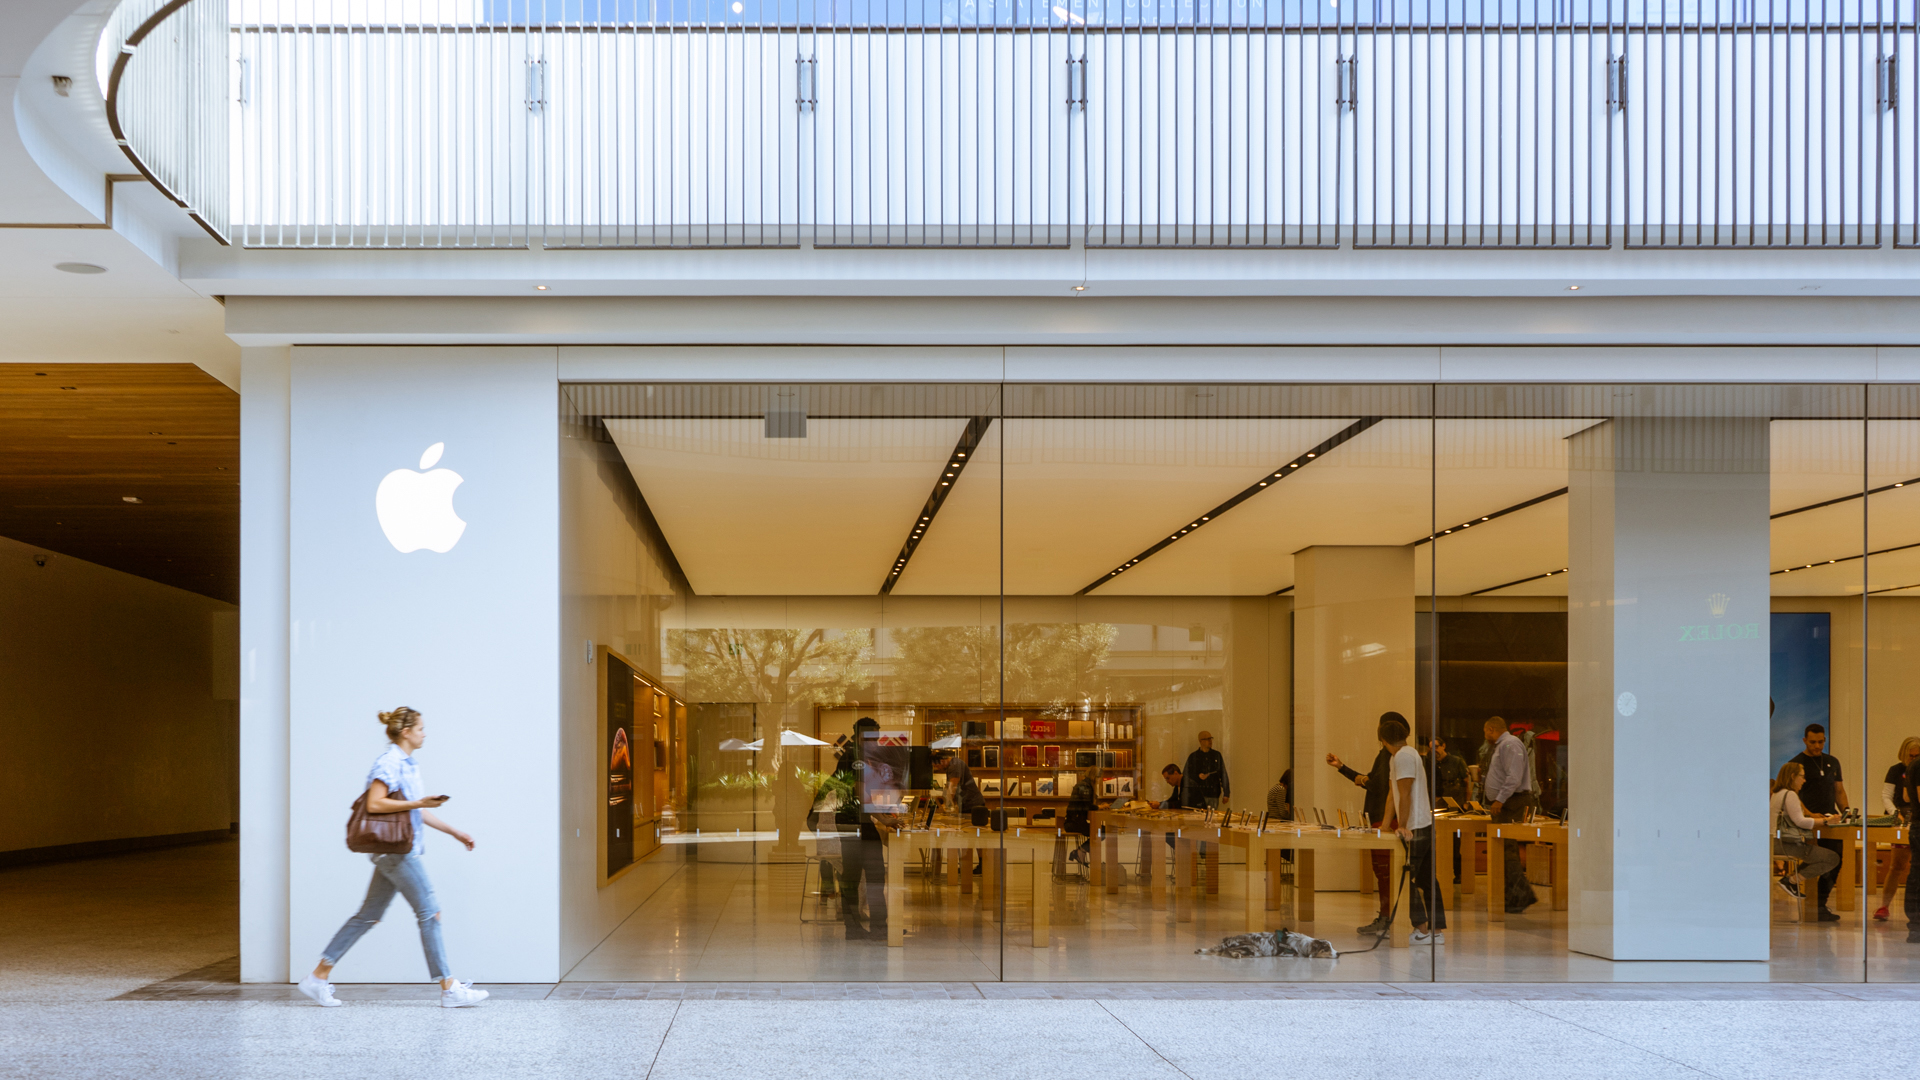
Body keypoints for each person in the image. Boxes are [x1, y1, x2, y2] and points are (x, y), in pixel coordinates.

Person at [298, 707, 488, 1008]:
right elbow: (375, 804)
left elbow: (415, 809)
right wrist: (418, 802)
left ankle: (318, 977)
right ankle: (449, 987)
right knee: (431, 913)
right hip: (396, 852)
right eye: (421, 728)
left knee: (367, 916)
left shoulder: (408, 764)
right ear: (406, 732)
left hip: (394, 851)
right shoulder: (389, 762)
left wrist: (455, 831)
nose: (425, 733)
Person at [1327, 731, 1396, 935]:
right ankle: (1386, 917)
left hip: (1383, 820)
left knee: (1385, 872)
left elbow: (1375, 784)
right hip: (1379, 819)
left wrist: (1363, 780)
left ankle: (1388, 919)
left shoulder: (1390, 756)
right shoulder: (1387, 755)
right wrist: (1343, 768)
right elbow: (1371, 780)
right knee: (1381, 871)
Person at [1384, 714, 1444, 945]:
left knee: (1403, 876)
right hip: (1420, 824)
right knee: (1428, 879)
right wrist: (1386, 824)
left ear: (1383, 739)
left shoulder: (1404, 757)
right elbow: (1393, 795)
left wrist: (1402, 826)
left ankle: (1422, 929)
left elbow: (1405, 793)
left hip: (1416, 826)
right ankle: (1436, 931)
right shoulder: (1399, 756)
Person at [832, 717, 888, 941]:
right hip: (855, 823)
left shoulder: (858, 756)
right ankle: (871, 928)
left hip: (855, 822)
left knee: (858, 876)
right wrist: (884, 818)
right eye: (870, 738)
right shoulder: (854, 757)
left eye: (876, 738)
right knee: (869, 875)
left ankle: (864, 928)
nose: (874, 742)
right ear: (858, 736)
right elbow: (860, 797)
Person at [1790, 723, 1850, 917]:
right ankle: (1798, 888)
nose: (1817, 746)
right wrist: (1807, 814)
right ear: (1804, 741)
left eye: (1821, 742)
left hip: (1831, 820)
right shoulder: (1796, 764)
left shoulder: (1833, 761)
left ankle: (1820, 904)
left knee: (1836, 860)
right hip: (1807, 822)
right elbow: (1792, 795)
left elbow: (1839, 791)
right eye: (1813, 742)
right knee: (1814, 859)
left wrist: (1847, 812)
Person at [1482, 716, 1539, 915]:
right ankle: (1511, 896)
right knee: (1504, 850)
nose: (1485, 736)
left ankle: (1519, 897)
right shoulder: (1503, 745)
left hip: (1510, 803)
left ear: (1491, 729)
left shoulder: (1509, 745)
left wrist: (1499, 800)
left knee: (1507, 850)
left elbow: (1513, 777)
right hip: (1506, 802)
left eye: (1485, 732)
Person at [1772, 761, 1840, 917]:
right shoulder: (1790, 794)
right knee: (1831, 858)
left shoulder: (1777, 793)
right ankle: (1791, 881)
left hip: (1775, 842)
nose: (1804, 780)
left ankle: (1791, 880)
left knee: (1817, 855)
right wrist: (1826, 821)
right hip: (1786, 844)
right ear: (1792, 776)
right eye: (1802, 777)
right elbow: (1800, 822)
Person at [1877, 737, 1920, 920]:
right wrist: (1897, 815)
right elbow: (1887, 796)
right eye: (1911, 756)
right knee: (1896, 866)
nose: (1913, 759)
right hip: (1901, 818)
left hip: (1915, 818)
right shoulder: (1896, 770)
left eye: (1917, 755)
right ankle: (1884, 906)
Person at [1184, 731, 1230, 809]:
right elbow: (1185, 775)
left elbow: (1223, 774)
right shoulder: (1193, 756)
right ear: (1200, 741)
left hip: (1213, 794)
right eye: (1207, 739)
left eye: (1211, 738)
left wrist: (1226, 793)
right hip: (1198, 795)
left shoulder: (1216, 755)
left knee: (1212, 817)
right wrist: (1197, 776)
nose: (1210, 741)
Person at [1431, 737, 1470, 807]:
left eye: (1436, 747)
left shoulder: (1456, 761)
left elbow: (1468, 781)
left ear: (1443, 746)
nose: (1434, 750)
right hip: (1439, 804)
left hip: (1456, 803)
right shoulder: (1432, 764)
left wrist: (1467, 802)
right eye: (1431, 748)